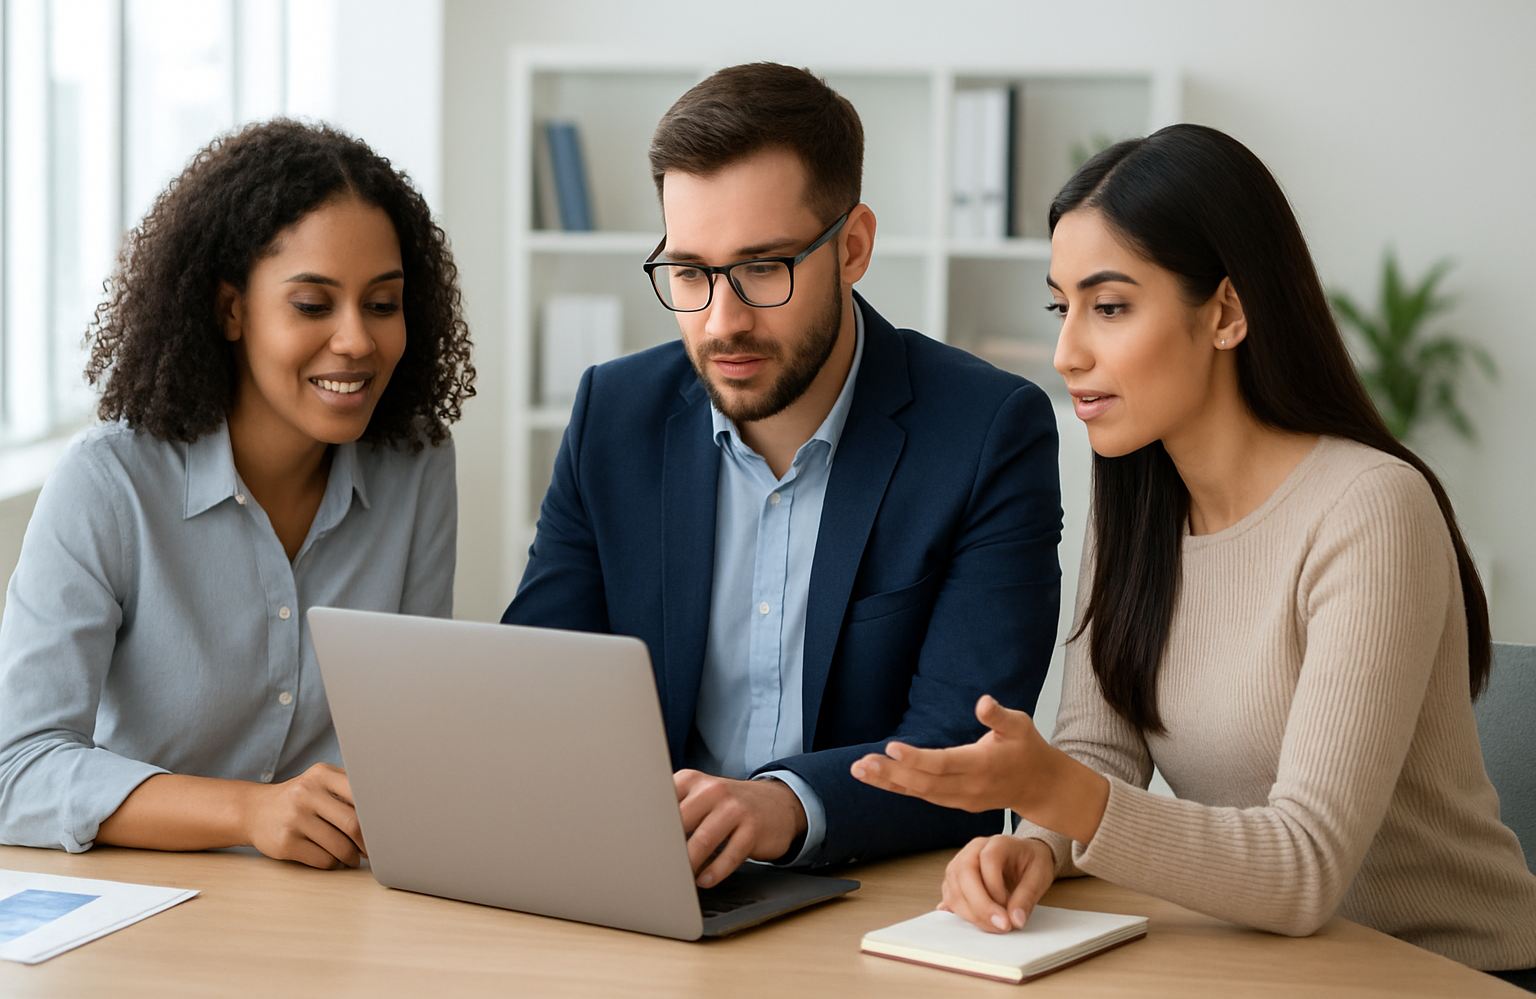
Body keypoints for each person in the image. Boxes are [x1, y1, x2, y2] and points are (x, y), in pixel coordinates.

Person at [851, 123, 1536, 985]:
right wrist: (1034, 848)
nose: (1068, 353)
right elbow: (1099, 752)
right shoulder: (1138, 497)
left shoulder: (1369, 509)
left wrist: (1059, 794)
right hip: (1273, 969)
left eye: (1110, 307)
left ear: (1226, 311)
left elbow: (1305, 867)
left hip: (1449, 973)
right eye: (1062, 308)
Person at [502, 63, 1061, 886]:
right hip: (649, 877)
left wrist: (786, 805)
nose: (722, 322)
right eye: (689, 273)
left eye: (763, 268)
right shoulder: (612, 416)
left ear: (854, 247)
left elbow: (963, 756)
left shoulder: (986, 432)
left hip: (876, 894)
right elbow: (538, 688)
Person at [0, 119, 475, 870]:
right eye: (313, 305)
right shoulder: (108, 483)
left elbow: (410, 740)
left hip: (340, 906)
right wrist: (249, 812)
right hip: (146, 907)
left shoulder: (416, 465)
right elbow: (15, 769)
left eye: (382, 304)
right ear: (230, 310)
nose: (357, 340)